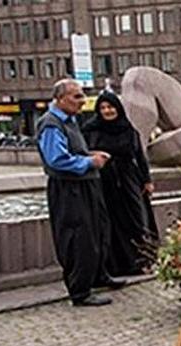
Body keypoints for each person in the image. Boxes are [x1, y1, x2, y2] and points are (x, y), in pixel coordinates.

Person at [36, 79, 122, 307]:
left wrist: (90, 155)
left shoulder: (70, 121)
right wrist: (89, 161)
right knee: (79, 237)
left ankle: (98, 276)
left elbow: (71, 152)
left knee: (98, 230)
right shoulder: (51, 124)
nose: (82, 101)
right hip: (69, 189)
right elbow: (57, 160)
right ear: (60, 98)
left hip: (85, 185)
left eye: (82, 96)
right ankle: (80, 291)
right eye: (76, 96)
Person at [83, 90, 157, 278]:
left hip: (128, 179)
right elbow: (82, 152)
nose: (107, 111)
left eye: (110, 107)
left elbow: (139, 156)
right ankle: (114, 266)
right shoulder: (90, 129)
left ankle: (140, 262)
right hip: (104, 181)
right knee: (110, 222)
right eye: (103, 108)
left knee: (136, 220)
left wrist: (146, 180)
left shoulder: (128, 129)